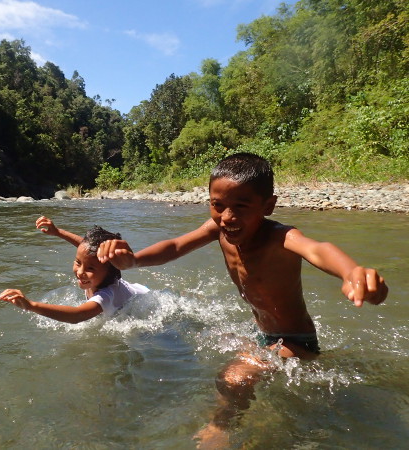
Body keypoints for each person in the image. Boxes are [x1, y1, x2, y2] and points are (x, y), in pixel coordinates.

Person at [96, 152, 388, 446]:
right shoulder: (218, 231)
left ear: (268, 206)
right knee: (215, 342)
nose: (227, 217)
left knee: (233, 377)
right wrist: (134, 261)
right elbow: (174, 246)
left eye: (241, 206)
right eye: (217, 205)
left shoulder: (279, 237)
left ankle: (223, 428)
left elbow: (317, 249)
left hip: (296, 340)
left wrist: (351, 272)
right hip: (263, 333)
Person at [0, 216, 149, 324]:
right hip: (133, 290)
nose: (80, 271)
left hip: (144, 300)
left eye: (90, 268)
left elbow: (77, 315)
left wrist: (31, 305)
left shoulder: (106, 295)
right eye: (78, 262)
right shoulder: (98, 272)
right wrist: (58, 232)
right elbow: (86, 249)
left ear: (111, 269)